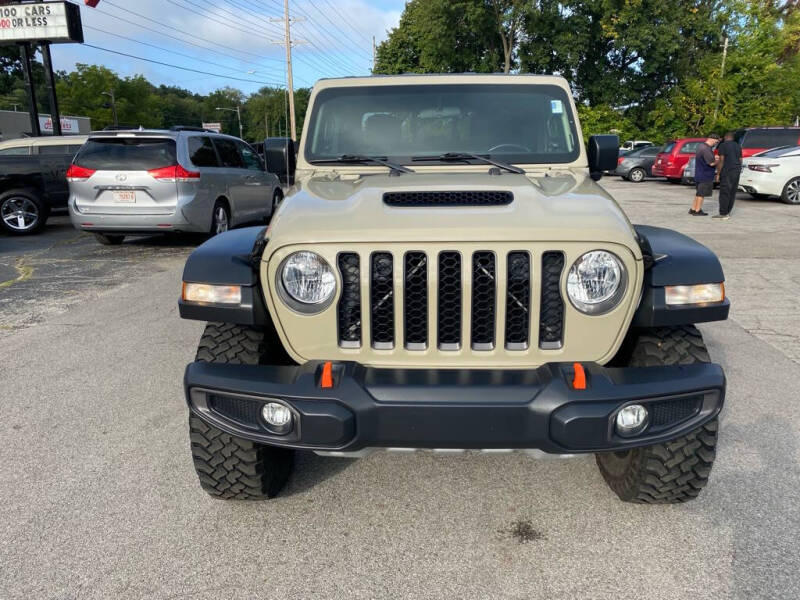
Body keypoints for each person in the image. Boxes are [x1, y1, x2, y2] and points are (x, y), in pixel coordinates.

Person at [713, 131, 742, 220]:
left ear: (726, 137)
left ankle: (723, 213)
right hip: (736, 171)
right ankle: (728, 212)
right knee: (732, 192)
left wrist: (718, 173)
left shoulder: (723, 145)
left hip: (727, 171)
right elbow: (740, 159)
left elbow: (721, 160)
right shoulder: (738, 146)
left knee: (724, 192)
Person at [690, 133, 720, 216]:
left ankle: (693, 209)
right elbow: (711, 163)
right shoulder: (706, 149)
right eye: (716, 142)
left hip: (699, 173)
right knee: (701, 194)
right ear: (712, 139)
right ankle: (697, 211)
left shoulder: (700, 146)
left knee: (698, 192)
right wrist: (717, 160)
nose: (715, 143)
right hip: (705, 174)